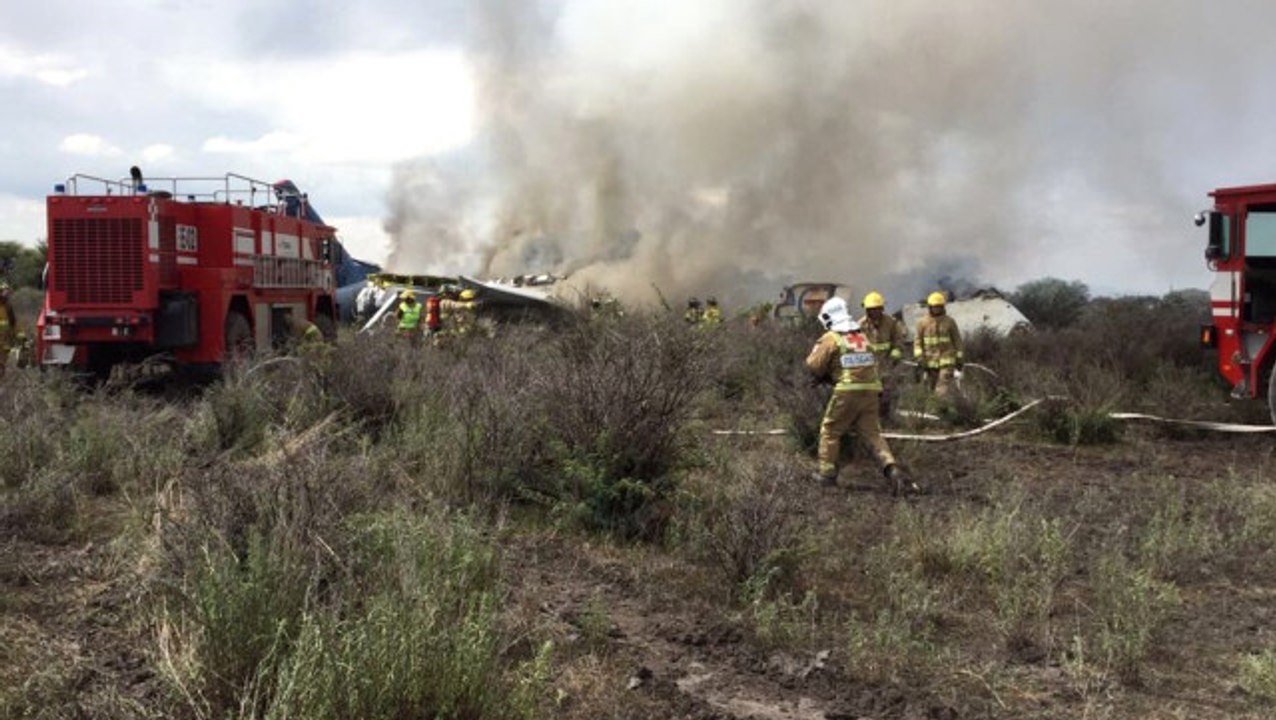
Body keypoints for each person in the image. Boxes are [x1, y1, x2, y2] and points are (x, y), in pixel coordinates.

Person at [805, 297, 914, 493]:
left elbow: (813, 365)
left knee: (831, 430)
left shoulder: (832, 338)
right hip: (872, 390)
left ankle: (826, 475)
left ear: (829, 318)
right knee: (873, 434)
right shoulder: (862, 337)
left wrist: (826, 374)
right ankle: (892, 469)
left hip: (847, 391)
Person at [858, 291, 907, 422]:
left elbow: (899, 340)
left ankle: (885, 418)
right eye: (871, 309)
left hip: (887, 363)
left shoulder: (891, 323)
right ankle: (870, 419)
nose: (874, 312)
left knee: (887, 392)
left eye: (876, 309)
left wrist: (896, 352)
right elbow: (856, 346)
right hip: (868, 366)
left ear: (881, 309)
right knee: (869, 394)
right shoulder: (860, 325)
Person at [913, 291, 964, 401]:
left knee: (942, 389)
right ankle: (936, 412)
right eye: (934, 307)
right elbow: (917, 342)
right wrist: (919, 357)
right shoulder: (922, 323)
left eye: (939, 307)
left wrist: (959, 359)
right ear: (929, 307)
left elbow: (957, 341)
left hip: (947, 361)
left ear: (943, 307)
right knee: (930, 389)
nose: (937, 309)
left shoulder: (950, 322)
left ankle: (940, 408)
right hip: (929, 362)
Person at [0, 282, 15, 379]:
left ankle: (2, 370)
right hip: (4, 333)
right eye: (5, 291)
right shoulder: (7, 304)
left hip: (5, 333)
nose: (7, 293)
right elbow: (12, 320)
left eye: (7, 291)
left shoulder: (8, 304)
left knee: (4, 351)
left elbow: (12, 319)